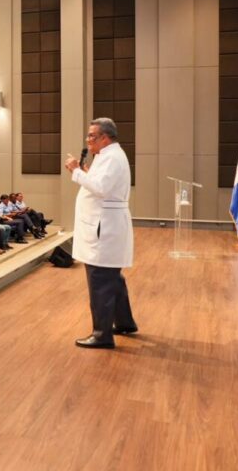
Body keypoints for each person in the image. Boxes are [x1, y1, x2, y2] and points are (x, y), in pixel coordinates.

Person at [65, 117, 137, 349]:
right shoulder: (107, 156)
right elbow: (99, 182)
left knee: (100, 281)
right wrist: (86, 172)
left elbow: (101, 188)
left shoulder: (112, 158)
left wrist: (77, 171)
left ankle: (102, 334)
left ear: (105, 137)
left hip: (103, 228)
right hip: (104, 225)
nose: (88, 140)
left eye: (91, 136)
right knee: (112, 279)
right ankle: (124, 322)